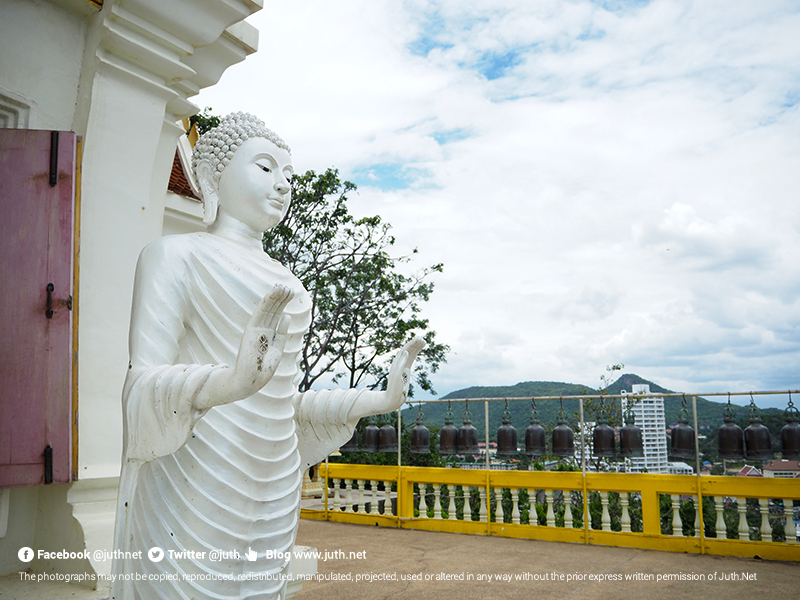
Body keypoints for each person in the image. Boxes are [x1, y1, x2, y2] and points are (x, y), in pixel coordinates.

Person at [111, 113, 424, 600]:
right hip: (197, 469)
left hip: (273, 478)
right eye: (264, 167)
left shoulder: (293, 288)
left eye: (288, 176)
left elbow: (282, 404)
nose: (282, 185)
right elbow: (143, 383)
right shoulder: (175, 255)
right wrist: (230, 383)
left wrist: (377, 401)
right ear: (214, 176)